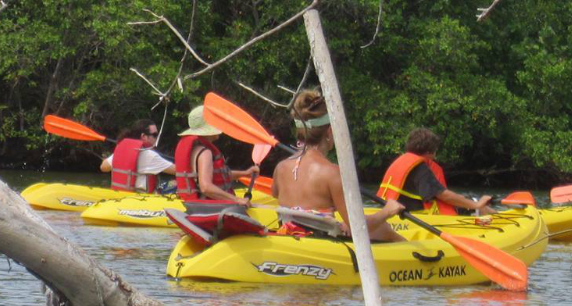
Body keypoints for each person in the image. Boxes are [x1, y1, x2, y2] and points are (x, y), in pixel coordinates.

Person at [271, 89, 403, 241]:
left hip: (293, 241)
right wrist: (388, 211)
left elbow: (275, 193)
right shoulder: (332, 173)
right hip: (323, 247)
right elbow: (360, 227)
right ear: (329, 133)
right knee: (382, 228)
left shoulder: (281, 167)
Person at [377, 127, 492, 216]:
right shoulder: (420, 168)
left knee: (465, 198)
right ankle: (501, 223)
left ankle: (498, 216)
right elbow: (444, 196)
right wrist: (476, 205)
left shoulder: (401, 161)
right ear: (428, 152)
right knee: (476, 203)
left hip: (394, 212)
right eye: (435, 152)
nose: (435, 156)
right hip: (420, 218)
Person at [173, 105, 259, 204]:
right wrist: (236, 199)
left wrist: (244, 173)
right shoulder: (205, 153)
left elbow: (216, 175)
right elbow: (206, 187)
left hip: (193, 205)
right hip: (209, 207)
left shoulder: (196, 148)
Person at [99, 118, 174, 193]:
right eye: (155, 135)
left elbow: (103, 167)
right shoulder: (150, 155)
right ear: (143, 136)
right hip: (144, 199)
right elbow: (180, 171)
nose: (156, 138)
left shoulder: (123, 151)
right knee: (174, 184)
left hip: (120, 197)